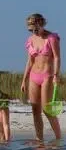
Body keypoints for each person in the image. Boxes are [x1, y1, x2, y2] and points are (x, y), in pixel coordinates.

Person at [21, 13, 62, 141]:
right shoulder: (30, 40)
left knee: (47, 110)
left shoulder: (51, 38)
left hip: (47, 76)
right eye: (31, 30)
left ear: (41, 24)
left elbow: (57, 57)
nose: (33, 32)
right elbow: (30, 61)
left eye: (35, 29)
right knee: (35, 109)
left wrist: (56, 75)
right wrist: (24, 80)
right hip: (33, 76)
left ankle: (58, 139)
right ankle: (39, 140)